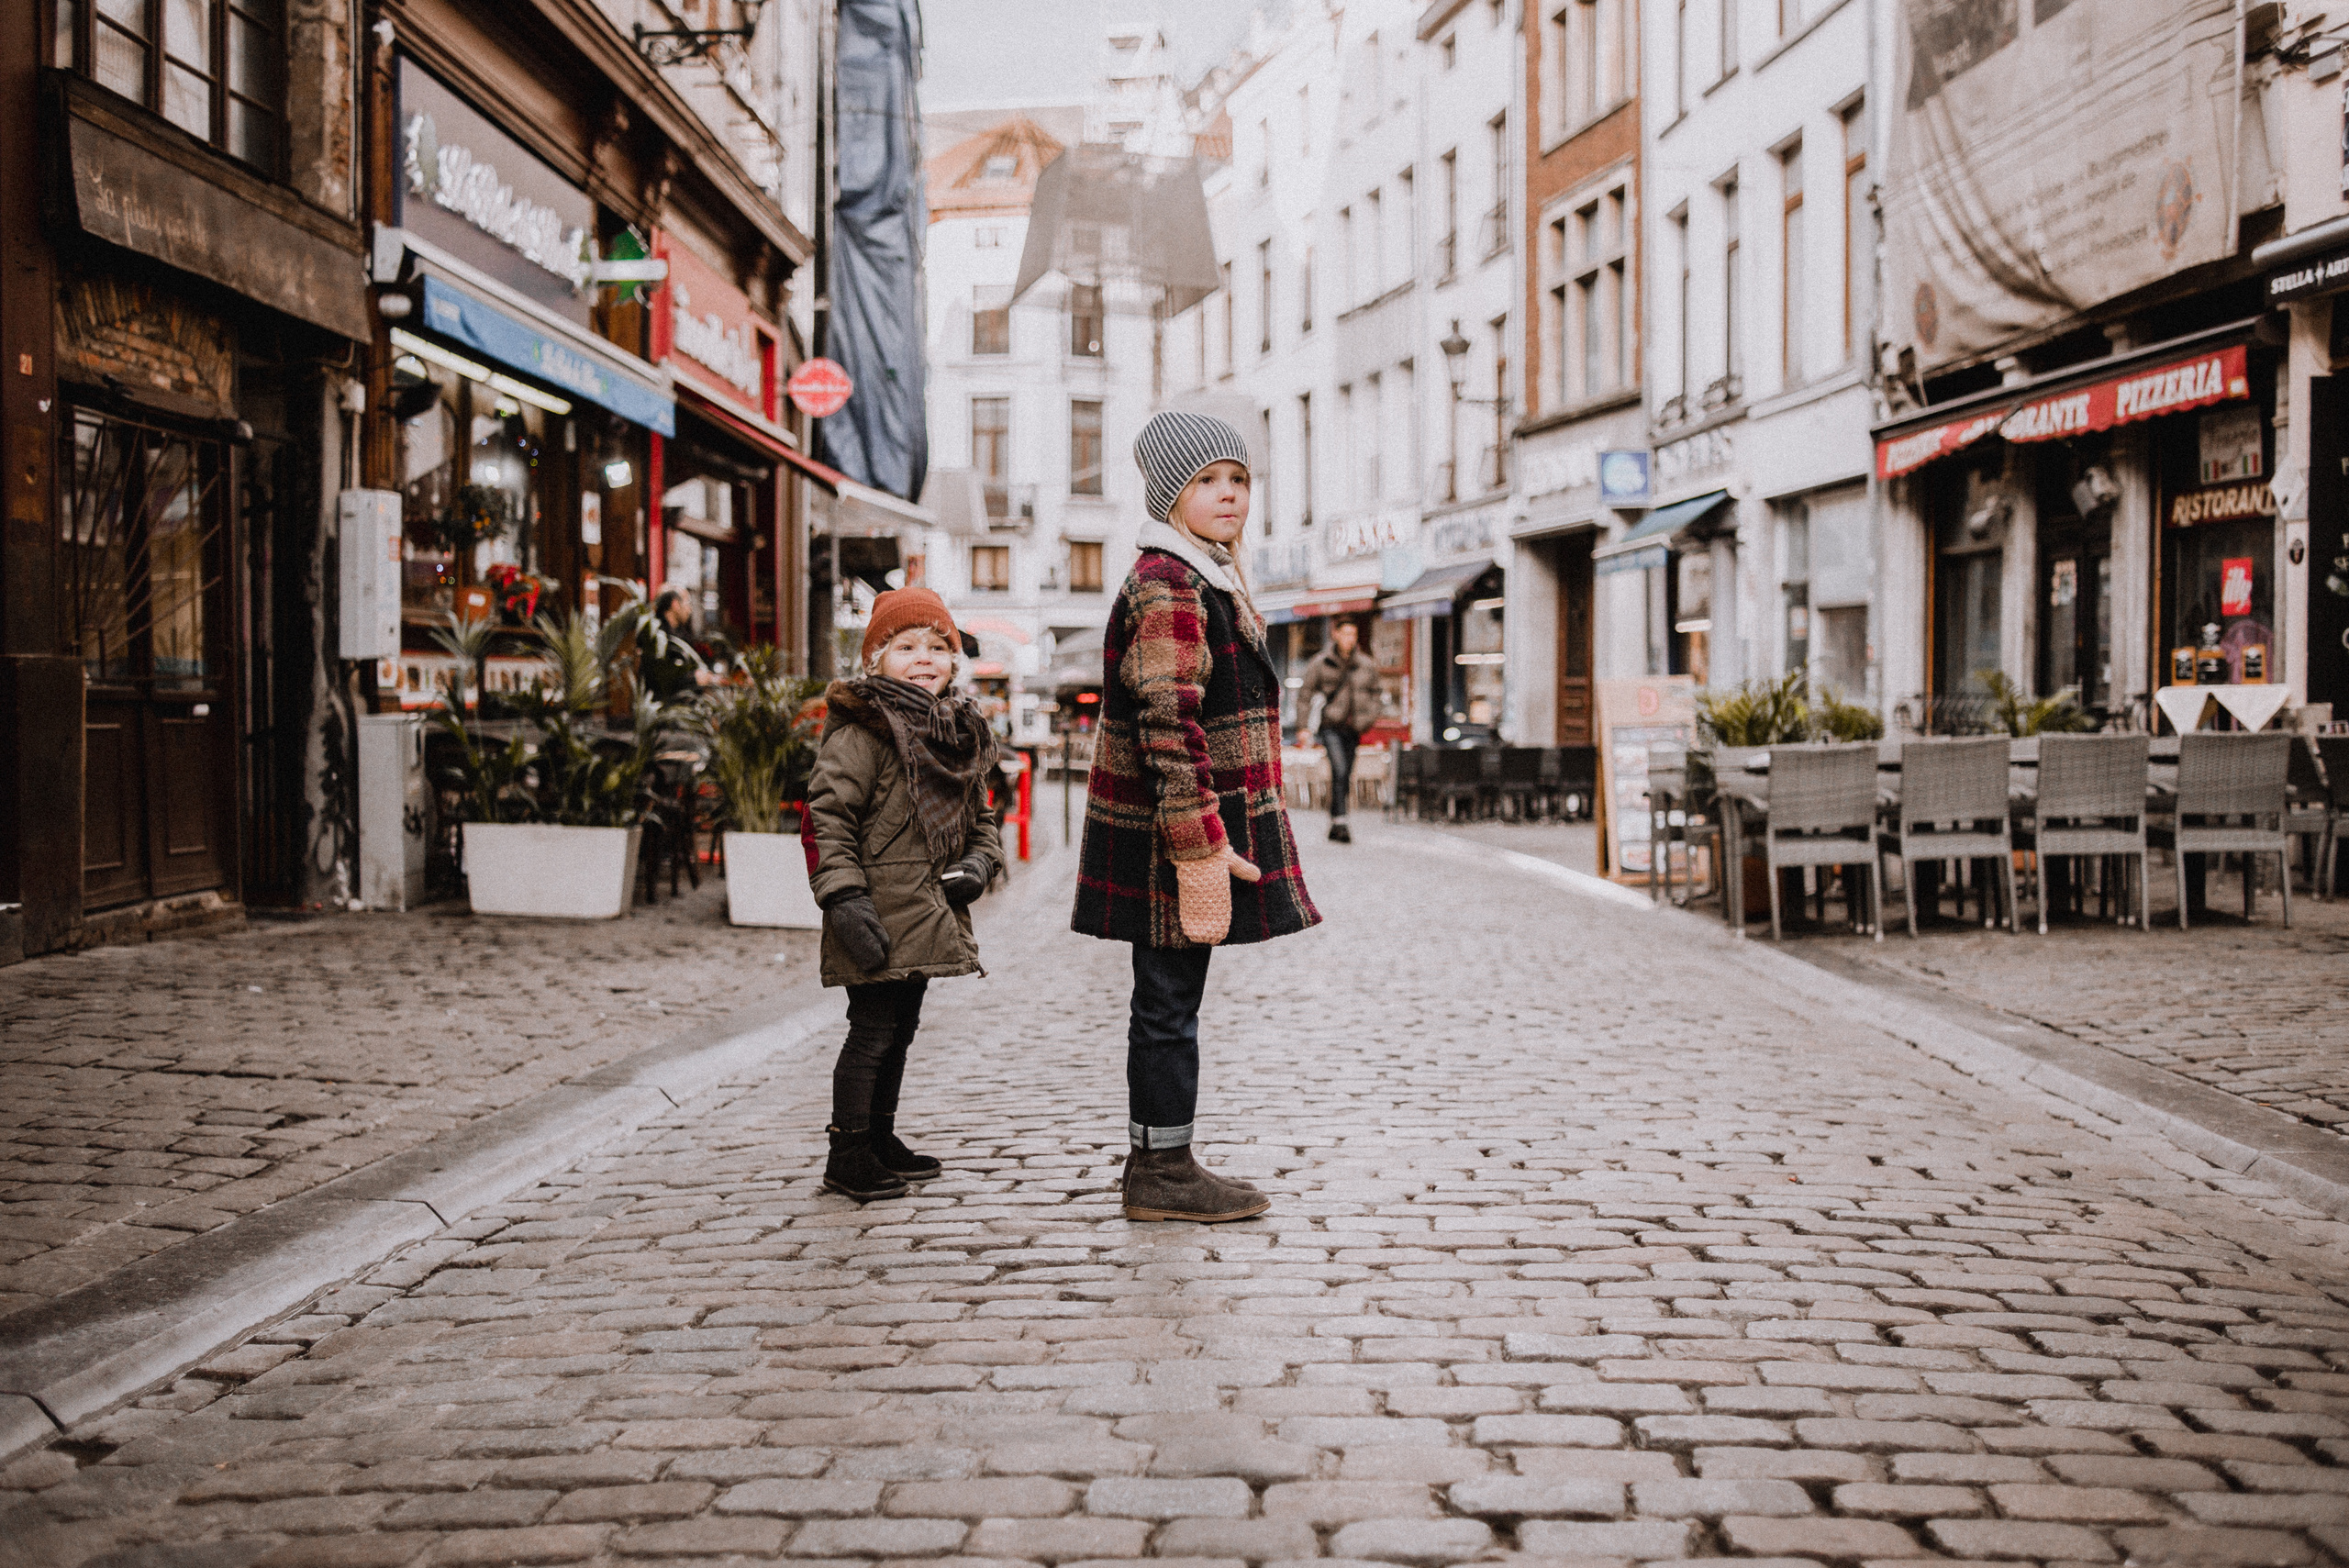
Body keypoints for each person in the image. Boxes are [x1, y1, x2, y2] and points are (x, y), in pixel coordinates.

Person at [1073, 411, 1321, 1223]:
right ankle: (1163, 1171)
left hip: (1170, 833)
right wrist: (1201, 844)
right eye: (1208, 481)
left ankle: (1158, 1155)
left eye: (1239, 480)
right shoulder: (1171, 581)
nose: (1229, 496)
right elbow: (1167, 725)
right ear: (1171, 492)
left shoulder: (1199, 575)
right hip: (1168, 837)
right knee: (1169, 1003)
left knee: (1167, 998)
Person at [806, 587, 1004, 1204]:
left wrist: (977, 863)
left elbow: (981, 819)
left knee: (901, 1027)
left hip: (925, 908)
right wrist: (843, 898)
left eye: (938, 646)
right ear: (876, 660)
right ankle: (847, 1151)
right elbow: (826, 819)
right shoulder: (862, 730)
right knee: (870, 1031)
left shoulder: (954, 731)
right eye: (906, 646)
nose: (925, 658)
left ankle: (879, 1137)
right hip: (874, 908)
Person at [1296, 619, 1382, 843]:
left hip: (1354, 728)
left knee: (1346, 773)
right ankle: (1342, 821)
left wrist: (1368, 719)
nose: (1349, 639)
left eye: (1353, 634)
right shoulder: (1321, 663)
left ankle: (1336, 820)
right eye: (1345, 633)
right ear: (1336, 634)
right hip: (1330, 726)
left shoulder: (1365, 664)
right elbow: (1305, 695)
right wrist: (1303, 726)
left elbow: (1376, 694)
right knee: (1340, 769)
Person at [637, 585, 708, 703]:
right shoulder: (656, 637)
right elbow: (660, 679)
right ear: (675, 604)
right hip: (664, 711)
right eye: (687, 603)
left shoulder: (681, 634)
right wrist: (694, 679)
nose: (689, 609)